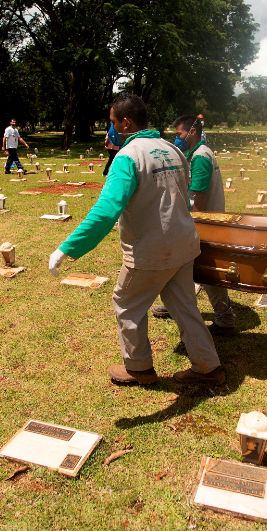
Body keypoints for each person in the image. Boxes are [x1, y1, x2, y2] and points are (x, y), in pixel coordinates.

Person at [47, 93, 224, 386]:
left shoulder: (127, 157)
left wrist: (67, 247)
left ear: (126, 122)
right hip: (184, 243)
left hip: (152, 250)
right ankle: (208, 367)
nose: (111, 129)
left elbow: (106, 210)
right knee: (185, 307)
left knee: (126, 303)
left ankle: (139, 368)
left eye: (113, 122)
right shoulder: (172, 149)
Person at [150, 114, 237, 336]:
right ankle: (178, 307)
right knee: (186, 269)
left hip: (205, 223)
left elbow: (198, 202)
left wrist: (186, 225)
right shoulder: (199, 152)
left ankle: (225, 318)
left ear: (192, 132)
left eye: (178, 134)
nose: (176, 138)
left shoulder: (200, 157)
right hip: (206, 222)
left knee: (208, 273)